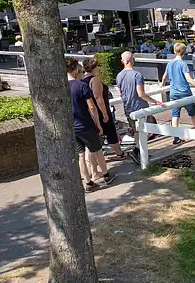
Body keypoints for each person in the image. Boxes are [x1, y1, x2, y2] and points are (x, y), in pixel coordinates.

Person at [67, 57, 114, 191]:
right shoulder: (81, 86)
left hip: (73, 126)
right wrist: (98, 124)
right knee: (97, 149)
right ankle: (106, 175)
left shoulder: (62, 87)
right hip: (85, 123)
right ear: (76, 69)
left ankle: (88, 182)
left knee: (81, 155)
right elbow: (91, 107)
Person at [116, 51, 164, 163]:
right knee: (147, 130)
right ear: (132, 59)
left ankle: (140, 154)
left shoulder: (119, 75)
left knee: (137, 131)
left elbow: (120, 92)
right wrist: (155, 101)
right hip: (140, 108)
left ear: (123, 61)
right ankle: (138, 152)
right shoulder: (137, 75)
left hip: (128, 108)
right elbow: (141, 93)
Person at [161, 43, 195, 144]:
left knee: (175, 116)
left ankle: (176, 138)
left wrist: (162, 86)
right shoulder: (183, 64)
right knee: (192, 113)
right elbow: (189, 79)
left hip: (173, 93)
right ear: (184, 52)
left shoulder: (170, 63)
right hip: (185, 92)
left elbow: (164, 77)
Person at [82, 57, 125, 161]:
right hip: (100, 110)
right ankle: (119, 153)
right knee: (110, 132)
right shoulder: (94, 80)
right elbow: (98, 97)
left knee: (94, 136)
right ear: (95, 67)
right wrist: (105, 113)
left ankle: (92, 160)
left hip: (89, 112)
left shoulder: (82, 81)